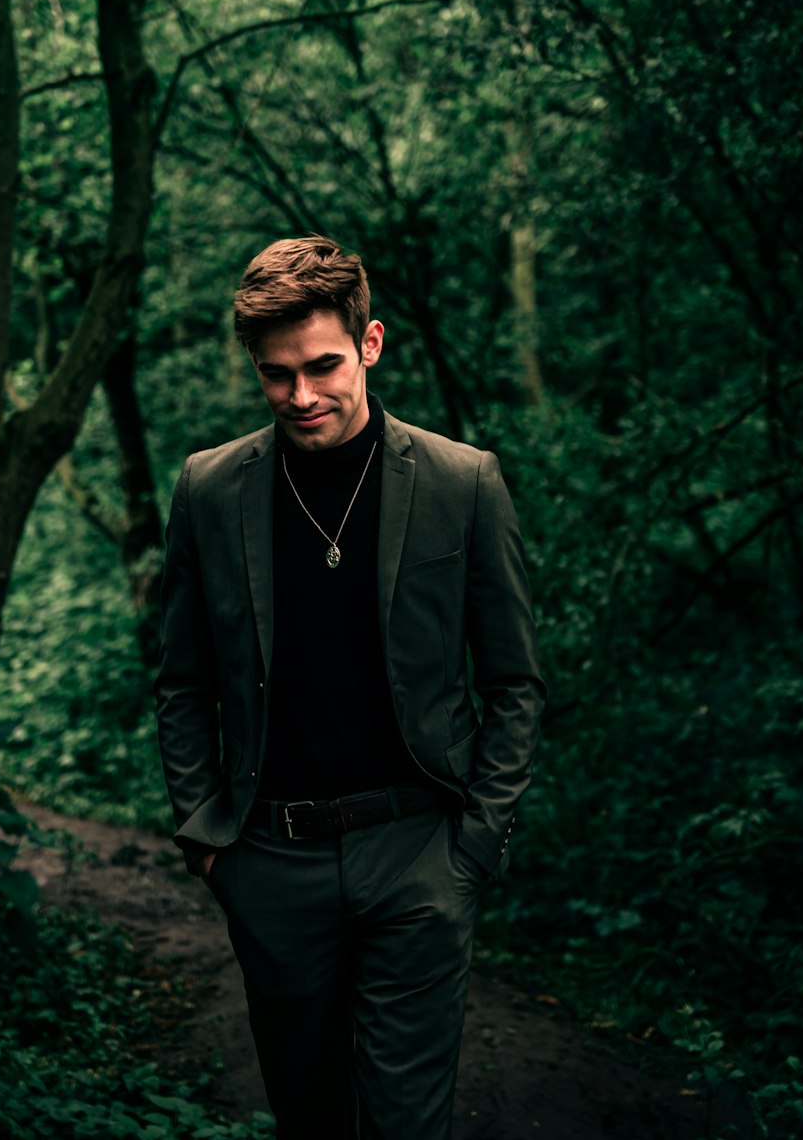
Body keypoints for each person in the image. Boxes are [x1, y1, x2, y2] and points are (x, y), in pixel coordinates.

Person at [156, 235, 545, 1140]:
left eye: (323, 366)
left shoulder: (462, 482)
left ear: (370, 343)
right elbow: (182, 683)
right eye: (275, 375)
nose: (301, 396)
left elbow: (515, 680)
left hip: (419, 853)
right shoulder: (210, 489)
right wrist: (209, 843)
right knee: (311, 1118)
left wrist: (475, 845)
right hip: (270, 860)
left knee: (408, 1124)